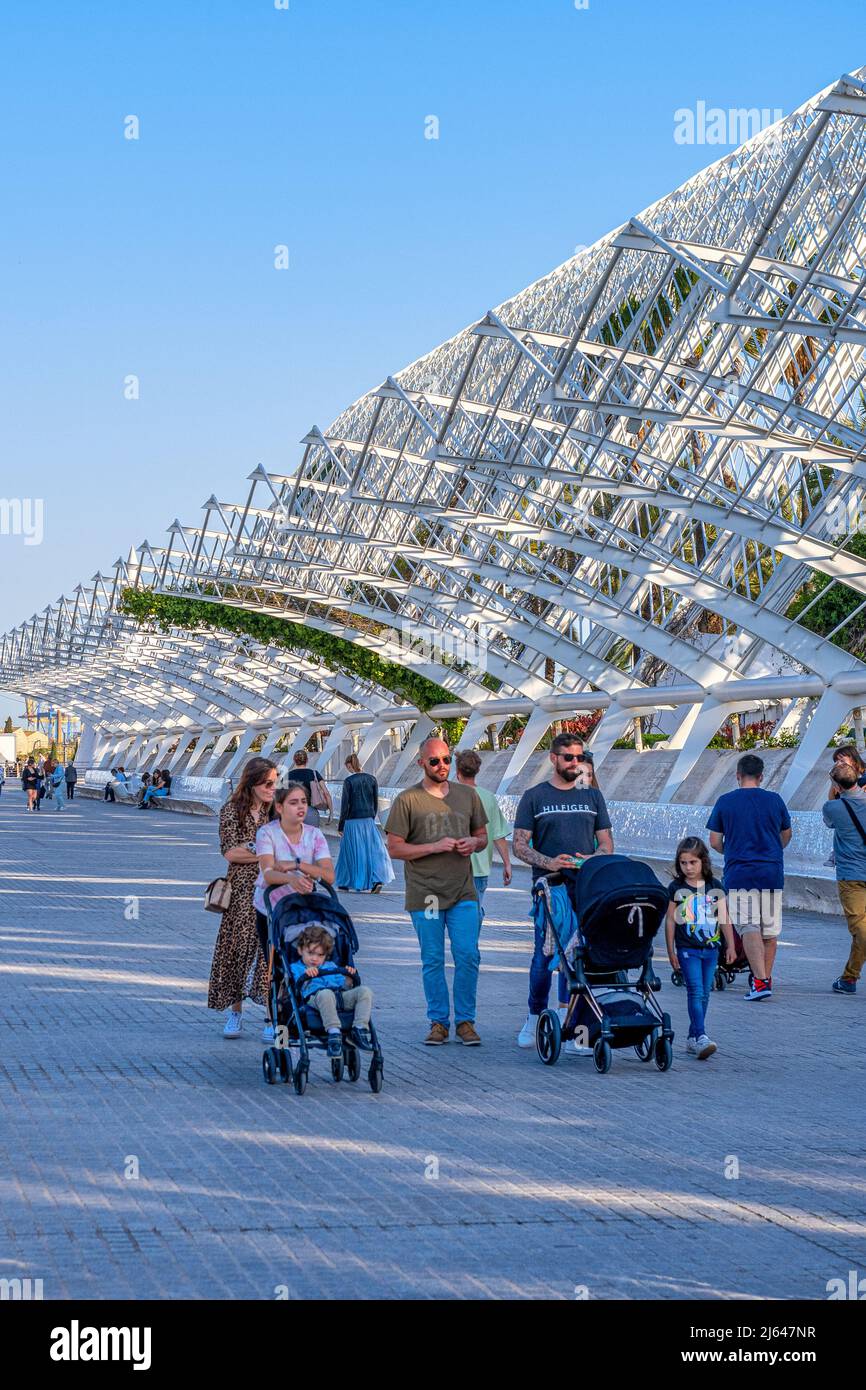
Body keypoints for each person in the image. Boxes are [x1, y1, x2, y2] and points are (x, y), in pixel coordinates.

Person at [512, 733, 613, 1048]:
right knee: (544, 955)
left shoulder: (592, 797)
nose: (575, 763)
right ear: (553, 758)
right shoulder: (534, 796)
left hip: (585, 888)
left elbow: (607, 844)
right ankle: (535, 1017)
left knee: (578, 956)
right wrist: (550, 862)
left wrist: (591, 859)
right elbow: (519, 845)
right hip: (549, 889)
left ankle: (576, 1029)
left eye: (579, 757)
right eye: (568, 757)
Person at [386, 736, 487, 1046]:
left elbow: (482, 835)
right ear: (421, 764)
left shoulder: (467, 796)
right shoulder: (408, 800)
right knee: (432, 958)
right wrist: (434, 847)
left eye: (446, 760)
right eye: (435, 761)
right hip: (426, 893)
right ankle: (439, 1022)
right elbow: (394, 848)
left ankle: (466, 1021)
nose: (442, 766)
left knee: (468, 955)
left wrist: (474, 843)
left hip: (462, 891)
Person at [254, 781, 336, 1042]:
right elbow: (267, 872)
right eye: (293, 802)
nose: (300, 807)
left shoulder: (314, 835)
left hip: (304, 910)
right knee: (276, 965)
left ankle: (309, 1008)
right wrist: (289, 878)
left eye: (303, 802)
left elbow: (329, 876)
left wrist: (297, 865)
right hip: (272, 909)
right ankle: (275, 1018)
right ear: (279, 807)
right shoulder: (267, 834)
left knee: (304, 959)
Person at [707, 753, 792, 1002]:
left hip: (740, 873)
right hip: (771, 872)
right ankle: (764, 979)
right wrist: (773, 851)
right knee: (769, 931)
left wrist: (731, 850)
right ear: (762, 776)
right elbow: (786, 834)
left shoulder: (725, 801)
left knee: (749, 926)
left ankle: (759, 981)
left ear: (737, 775)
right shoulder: (775, 801)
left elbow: (714, 842)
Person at [207, 757, 279, 1039]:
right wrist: (264, 854)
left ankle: (270, 1018)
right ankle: (235, 1013)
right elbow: (229, 852)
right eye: (268, 783)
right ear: (253, 782)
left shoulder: (276, 811)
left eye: (275, 782)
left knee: (269, 953)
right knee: (237, 952)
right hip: (240, 893)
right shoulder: (231, 811)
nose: (273, 788)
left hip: (272, 891)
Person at [665, 837, 737, 1059]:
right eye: (684, 863)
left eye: (692, 862)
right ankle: (701, 1035)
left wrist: (731, 946)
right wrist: (671, 950)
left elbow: (724, 918)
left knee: (705, 993)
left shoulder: (715, 886)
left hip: (711, 949)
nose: (688, 867)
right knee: (695, 991)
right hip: (688, 949)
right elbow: (670, 921)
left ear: (703, 861)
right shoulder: (676, 888)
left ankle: (692, 1037)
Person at [289, 925, 374, 1056]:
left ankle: (359, 1028)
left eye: (320, 955)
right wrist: (306, 976)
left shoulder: (331, 966)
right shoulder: (296, 967)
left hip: (339, 996)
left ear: (326, 955)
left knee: (365, 991)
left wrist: (348, 979)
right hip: (314, 998)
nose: (314, 958)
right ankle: (334, 1032)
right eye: (310, 953)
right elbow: (297, 987)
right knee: (326, 994)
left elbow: (344, 986)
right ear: (300, 950)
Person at [822, 761, 866, 994]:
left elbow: (829, 822)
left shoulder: (833, 808)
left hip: (851, 877)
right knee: (862, 931)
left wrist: (834, 791)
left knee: (861, 930)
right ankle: (849, 978)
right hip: (853, 875)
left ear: (837, 787)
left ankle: (849, 978)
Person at [454, 750, 512, 916]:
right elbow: (498, 835)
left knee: (457, 915)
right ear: (477, 771)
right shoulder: (488, 798)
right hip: (479, 869)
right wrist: (507, 864)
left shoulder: (448, 796)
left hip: (453, 868)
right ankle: (471, 941)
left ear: (457, 773)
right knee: (473, 912)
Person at [334, 753, 395, 893]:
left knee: (349, 852)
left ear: (350, 765)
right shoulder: (372, 779)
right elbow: (375, 802)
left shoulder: (348, 781)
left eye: (348, 767)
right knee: (373, 851)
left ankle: (346, 881)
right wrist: (371, 818)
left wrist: (341, 825)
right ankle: (377, 879)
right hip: (368, 821)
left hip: (352, 821)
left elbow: (345, 805)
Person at [289, 750, 332, 827]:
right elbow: (326, 793)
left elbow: (281, 796)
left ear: (294, 761)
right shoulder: (314, 774)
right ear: (307, 760)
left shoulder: (288, 775)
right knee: (312, 838)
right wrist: (331, 813)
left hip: (293, 813)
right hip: (310, 812)